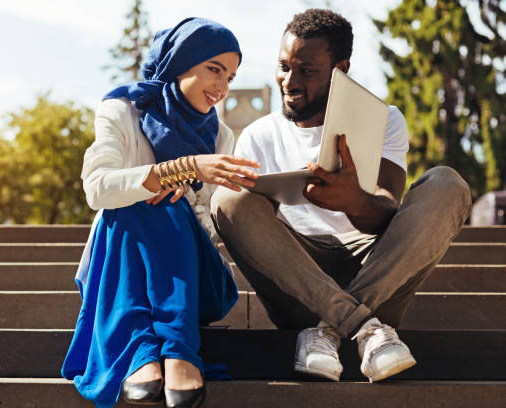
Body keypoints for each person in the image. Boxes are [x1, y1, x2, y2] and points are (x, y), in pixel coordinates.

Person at [211, 9, 471, 383]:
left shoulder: (383, 119)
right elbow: (250, 228)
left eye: (306, 71)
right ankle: (364, 326)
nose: (289, 81)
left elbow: (387, 212)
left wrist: (353, 201)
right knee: (228, 200)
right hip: (298, 279)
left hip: (377, 272)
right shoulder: (257, 135)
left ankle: (329, 330)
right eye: (283, 66)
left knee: (447, 183)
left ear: (340, 69)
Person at [61, 17, 260, 408]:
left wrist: (180, 192)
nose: (221, 87)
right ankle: (157, 352)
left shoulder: (220, 136)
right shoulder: (121, 110)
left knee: (164, 204)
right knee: (134, 202)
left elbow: (211, 228)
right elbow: (97, 188)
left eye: (231, 77)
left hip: (190, 275)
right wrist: (176, 171)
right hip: (120, 266)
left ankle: (167, 350)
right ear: (181, 61)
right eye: (214, 70)